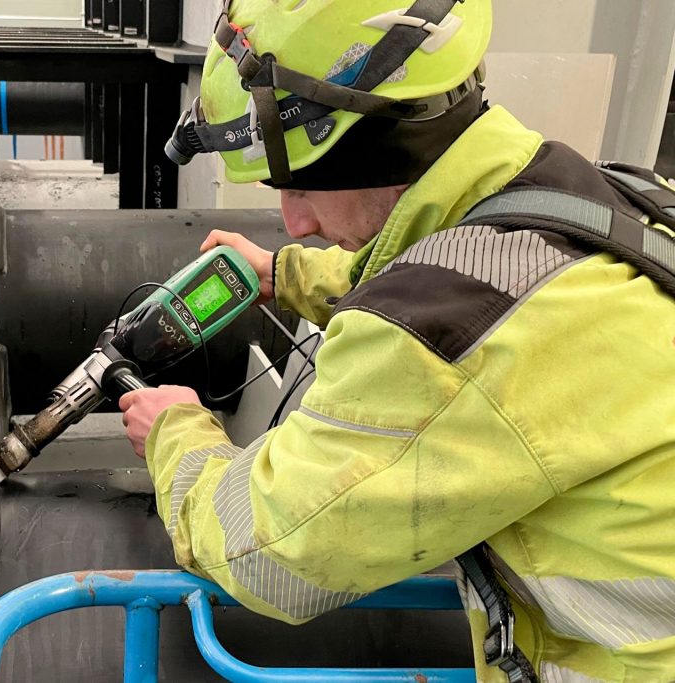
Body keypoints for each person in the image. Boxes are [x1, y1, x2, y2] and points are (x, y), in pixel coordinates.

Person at [117, 1, 675, 681]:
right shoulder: (608, 193)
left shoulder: (442, 344)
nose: (296, 223)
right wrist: (283, 275)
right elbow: (458, 263)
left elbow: (268, 551)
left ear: (380, 144)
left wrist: (175, 431)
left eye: (301, 185)